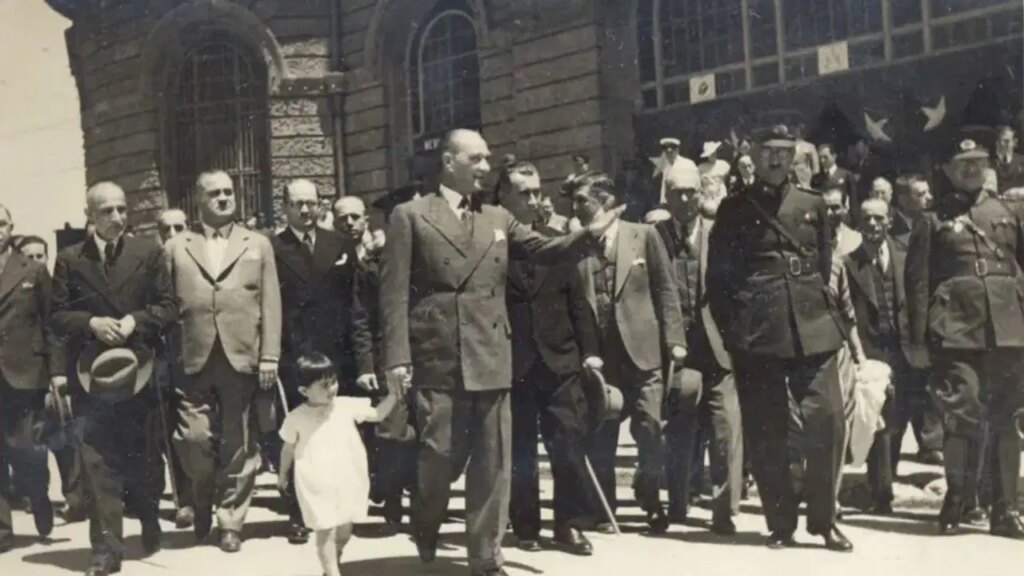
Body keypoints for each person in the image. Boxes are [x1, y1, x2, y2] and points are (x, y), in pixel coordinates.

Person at [379, 128, 621, 576]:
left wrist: (588, 235)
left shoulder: (496, 217)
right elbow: (393, 293)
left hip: (491, 352)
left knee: (494, 461)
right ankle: (426, 518)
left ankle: (486, 557)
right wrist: (396, 356)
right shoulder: (409, 215)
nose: (486, 168)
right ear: (449, 162)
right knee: (438, 456)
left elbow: (543, 249)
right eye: (476, 159)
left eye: (487, 159)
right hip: (438, 353)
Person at [708, 124, 852, 552]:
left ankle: (824, 520)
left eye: (785, 152)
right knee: (766, 427)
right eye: (768, 150)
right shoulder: (734, 209)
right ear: (753, 154)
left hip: (812, 324)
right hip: (759, 330)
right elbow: (718, 280)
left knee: (828, 418)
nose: (776, 159)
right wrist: (736, 332)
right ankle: (781, 522)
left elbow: (822, 264)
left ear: (795, 157)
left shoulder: (812, 203)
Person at [51, 183, 177, 576]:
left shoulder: (148, 252)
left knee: (143, 457)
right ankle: (106, 549)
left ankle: (150, 520)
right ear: (89, 214)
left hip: (139, 372)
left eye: (122, 209)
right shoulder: (71, 259)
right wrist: (91, 322)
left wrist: (134, 321)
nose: (117, 217)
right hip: (92, 378)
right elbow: (57, 316)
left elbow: (168, 306)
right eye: (107, 211)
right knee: (96, 463)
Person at [905, 136, 1024, 539]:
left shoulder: (1007, 212)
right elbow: (917, 282)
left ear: (988, 165)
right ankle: (958, 499)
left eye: (978, 160)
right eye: (962, 162)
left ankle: (1005, 510)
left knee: (1008, 417)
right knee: (963, 409)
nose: (971, 168)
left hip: (1007, 327)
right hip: (955, 328)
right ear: (948, 169)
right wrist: (917, 339)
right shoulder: (932, 219)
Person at [166, 170, 282, 553]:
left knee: (239, 441)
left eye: (228, 192)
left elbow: (271, 303)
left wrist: (269, 355)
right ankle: (201, 496)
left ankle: (231, 520)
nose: (223, 198)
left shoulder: (258, 244)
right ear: (198, 200)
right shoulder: (177, 246)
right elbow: (166, 305)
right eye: (214, 193)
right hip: (192, 356)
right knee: (193, 438)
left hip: (241, 354)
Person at [568, 171, 686, 534]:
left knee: (651, 428)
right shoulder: (577, 246)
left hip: (644, 353)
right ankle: (605, 511)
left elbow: (666, 290)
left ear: (606, 202)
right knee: (602, 434)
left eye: (582, 201)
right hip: (602, 359)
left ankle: (649, 495)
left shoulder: (644, 235)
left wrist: (675, 340)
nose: (575, 208)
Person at [497, 161, 599, 555]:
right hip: (515, 363)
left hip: (561, 361)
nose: (534, 200)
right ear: (503, 197)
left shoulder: (558, 243)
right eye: (524, 193)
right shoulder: (492, 247)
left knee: (568, 443)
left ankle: (569, 525)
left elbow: (579, 303)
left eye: (537, 192)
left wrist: (590, 353)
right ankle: (525, 526)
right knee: (520, 450)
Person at [272, 179, 372, 544]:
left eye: (311, 203)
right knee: (302, 439)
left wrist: (360, 359)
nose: (305, 210)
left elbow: (355, 303)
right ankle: (298, 514)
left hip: (336, 356)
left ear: (320, 205)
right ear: (285, 207)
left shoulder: (339, 244)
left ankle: (340, 511)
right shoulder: (273, 247)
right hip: (295, 357)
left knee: (337, 438)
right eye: (297, 204)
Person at [655, 164, 743, 535]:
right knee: (680, 427)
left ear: (700, 194)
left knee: (726, 428)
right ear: (667, 196)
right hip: (679, 352)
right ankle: (678, 503)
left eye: (691, 191)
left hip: (718, 349)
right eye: (677, 192)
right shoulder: (654, 236)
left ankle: (725, 512)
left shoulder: (718, 233)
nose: (685, 199)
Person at [843, 198, 930, 514]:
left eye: (879, 218)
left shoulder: (905, 257)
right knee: (878, 420)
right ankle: (881, 493)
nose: (872, 224)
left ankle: (885, 481)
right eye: (866, 218)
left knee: (898, 417)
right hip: (871, 351)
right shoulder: (849, 263)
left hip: (903, 349)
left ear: (889, 221)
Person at [276, 352, 398, 576]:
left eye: (333, 381)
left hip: (347, 477)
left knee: (344, 530)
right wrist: (283, 474)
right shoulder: (296, 417)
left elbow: (377, 414)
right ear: (304, 391)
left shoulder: (345, 405)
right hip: (315, 481)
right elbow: (288, 448)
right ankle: (332, 571)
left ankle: (333, 559)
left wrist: (394, 395)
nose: (332, 388)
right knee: (325, 528)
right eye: (324, 385)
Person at [0, 205, 63, 552]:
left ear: (11, 227)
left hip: (25, 374)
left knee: (26, 448)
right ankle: (2, 531)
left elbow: (51, 324)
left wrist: (56, 372)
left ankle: (38, 495)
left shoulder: (33, 270)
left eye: (1, 223)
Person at [811, 143, 858, 222]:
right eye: (820, 158)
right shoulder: (816, 178)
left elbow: (853, 200)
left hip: (841, 217)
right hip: (821, 218)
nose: (822, 161)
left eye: (825, 157)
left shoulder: (846, 175)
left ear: (834, 156)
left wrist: (854, 219)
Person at [823, 187, 862, 258]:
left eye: (834, 208)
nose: (829, 213)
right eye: (825, 208)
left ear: (845, 208)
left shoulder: (856, 240)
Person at [992, 125, 1024, 195]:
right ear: (996, 143)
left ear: (1014, 142)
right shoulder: (990, 162)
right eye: (1000, 141)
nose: (1003, 144)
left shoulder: (1022, 162)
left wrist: (1018, 191)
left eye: (1007, 141)